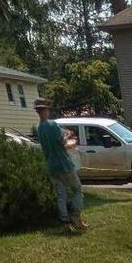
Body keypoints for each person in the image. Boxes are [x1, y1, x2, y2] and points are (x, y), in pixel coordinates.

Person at [32, 98, 86, 233]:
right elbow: (63, 144)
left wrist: (65, 137)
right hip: (64, 164)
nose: (49, 111)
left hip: (51, 166)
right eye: (48, 108)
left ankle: (65, 222)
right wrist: (70, 140)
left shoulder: (39, 128)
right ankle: (75, 215)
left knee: (61, 195)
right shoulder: (52, 125)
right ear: (44, 110)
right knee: (77, 190)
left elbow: (52, 144)